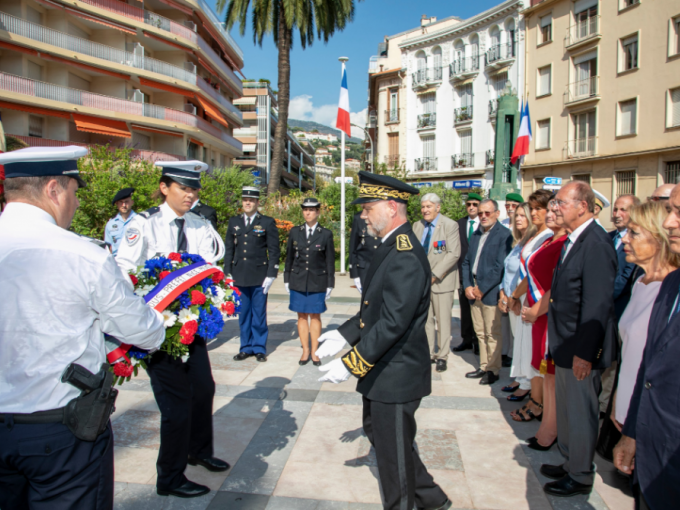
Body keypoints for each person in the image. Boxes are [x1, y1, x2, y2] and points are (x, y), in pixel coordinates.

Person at [0, 146, 165, 509]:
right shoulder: (83, 255)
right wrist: (159, 319)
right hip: (59, 434)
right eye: (74, 193)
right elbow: (145, 332)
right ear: (54, 190)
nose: (75, 204)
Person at [313, 171, 452, 510]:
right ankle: (432, 498)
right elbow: (376, 306)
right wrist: (343, 333)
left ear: (391, 207)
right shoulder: (391, 244)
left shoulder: (404, 252)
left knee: (393, 457)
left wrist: (351, 362)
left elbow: (393, 322)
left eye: (367, 208)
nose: (363, 215)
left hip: (397, 370)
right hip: (385, 368)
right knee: (382, 435)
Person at [116, 160, 229, 499]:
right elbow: (123, 270)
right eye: (184, 189)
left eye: (195, 189)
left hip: (190, 327)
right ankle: (170, 477)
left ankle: (198, 450)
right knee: (176, 404)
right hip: (157, 332)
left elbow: (210, 267)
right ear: (165, 188)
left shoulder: (199, 224)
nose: (191, 195)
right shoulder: (143, 224)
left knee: (204, 389)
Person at [541, 181, 617, 498]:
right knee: (568, 410)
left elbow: (597, 304)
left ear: (581, 206)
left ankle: (581, 474)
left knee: (581, 411)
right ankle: (572, 461)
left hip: (580, 346)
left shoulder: (596, 243)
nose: (555, 207)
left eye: (560, 202)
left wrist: (586, 353)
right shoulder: (576, 238)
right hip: (565, 342)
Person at [614, 185, 680, 510]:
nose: (670, 223)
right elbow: (644, 364)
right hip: (640, 429)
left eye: (633, 232)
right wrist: (629, 428)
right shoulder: (657, 285)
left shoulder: (666, 286)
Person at [611, 202, 679, 433]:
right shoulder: (640, 281)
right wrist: (618, 400)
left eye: (634, 233)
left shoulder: (670, 292)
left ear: (659, 239)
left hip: (655, 415)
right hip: (628, 404)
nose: (626, 239)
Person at [519, 200, 569, 451]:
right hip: (539, 314)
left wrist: (537, 310)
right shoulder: (549, 240)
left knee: (551, 375)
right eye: (547, 210)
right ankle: (548, 426)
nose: (549, 214)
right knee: (545, 374)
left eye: (554, 210)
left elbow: (558, 284)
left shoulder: (564, 243)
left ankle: (551, 429)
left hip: (548, 314)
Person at [503, 193, 552, 404]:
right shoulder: (534, 236)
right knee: (525, 347)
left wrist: (515, 295)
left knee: (534, 351)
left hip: (536, 300)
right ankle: (531, 392)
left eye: (538, 209)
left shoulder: (549, 236)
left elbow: (534, 274)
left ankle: (535, 398)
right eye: (531, 209)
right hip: (525, 298)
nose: (533, 213)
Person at [223, 187, 280, 362]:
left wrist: (271, 274)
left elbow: (274, 250)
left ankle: (259, 348)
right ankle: (245, 347)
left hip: (259, 276)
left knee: (259, 314)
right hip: (240, 275)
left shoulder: (267, 222)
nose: (248, 203)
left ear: (257, 202)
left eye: (251, 200)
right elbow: (229, 249)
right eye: (245, 200)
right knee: (244, 314)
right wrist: (227, 272)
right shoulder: (234, 221)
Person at [462, 198, 513, 385]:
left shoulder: (504, 235)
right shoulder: (476, 234)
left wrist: (481, 288)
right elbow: (467, 262)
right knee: (480, 332)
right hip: (473, 290)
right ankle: (483, 366)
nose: (483, 216)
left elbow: (500, 266)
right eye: (481, 213)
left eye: (487, 213)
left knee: (492, 333)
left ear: (497, 214)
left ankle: (493, 369)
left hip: (489, 292)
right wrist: (467, 285)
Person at [284, 197, 335, 366]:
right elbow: (289, 257)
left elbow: (329, 261)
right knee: (301, 315)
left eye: (312, 210)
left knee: (315, 315)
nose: (308, 212)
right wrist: (286, 278)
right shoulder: (295, 232)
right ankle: (305, 350)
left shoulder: (326, 234)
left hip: (317, 280)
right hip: (298, 279)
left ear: (318, 212)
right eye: (305, 209)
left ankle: (315, 351)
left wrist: (330, 283)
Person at [413, 193, 461, 372]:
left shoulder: (450, 225)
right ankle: (428, 353)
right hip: (421, 281)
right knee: (426, 320)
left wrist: (434, 275)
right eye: (423, 207)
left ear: (438, 208)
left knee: (442, 320)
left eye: (429, 207)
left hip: (442, 282)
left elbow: (453, 254)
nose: (425, 210)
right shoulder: (417, 226)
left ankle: (442, 356)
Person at [453, 192, 482, 354]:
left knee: (478, 309)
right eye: (468, 204)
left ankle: (478, 341)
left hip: (479, 274)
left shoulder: (485, 223)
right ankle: (467, 339)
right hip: (462, 272)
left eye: (475, 204)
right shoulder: (459, 224)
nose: (471, 207)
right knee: (464, 307)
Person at [610, 194, 642, 319]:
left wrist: (603, 298)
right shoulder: (607, 237)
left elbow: (626, 277)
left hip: (622, 308)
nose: (617, 215)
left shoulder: (637, 239)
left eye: (623, 210)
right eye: (615, 209)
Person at [349, 211, 380, 294]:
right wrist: (355, 274)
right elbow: (353, 247)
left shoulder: (385, 215)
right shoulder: (358, 218)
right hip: (365, 269)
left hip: (382, 267)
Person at [104, 187, 136, 256]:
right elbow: (108, 247)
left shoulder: (140, 221)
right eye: (121, 202)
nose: (124, 205)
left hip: (133, 261)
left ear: (132, 202)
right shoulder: (110, 224)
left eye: (126, 202)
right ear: (117, 204)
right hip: (116, 262)